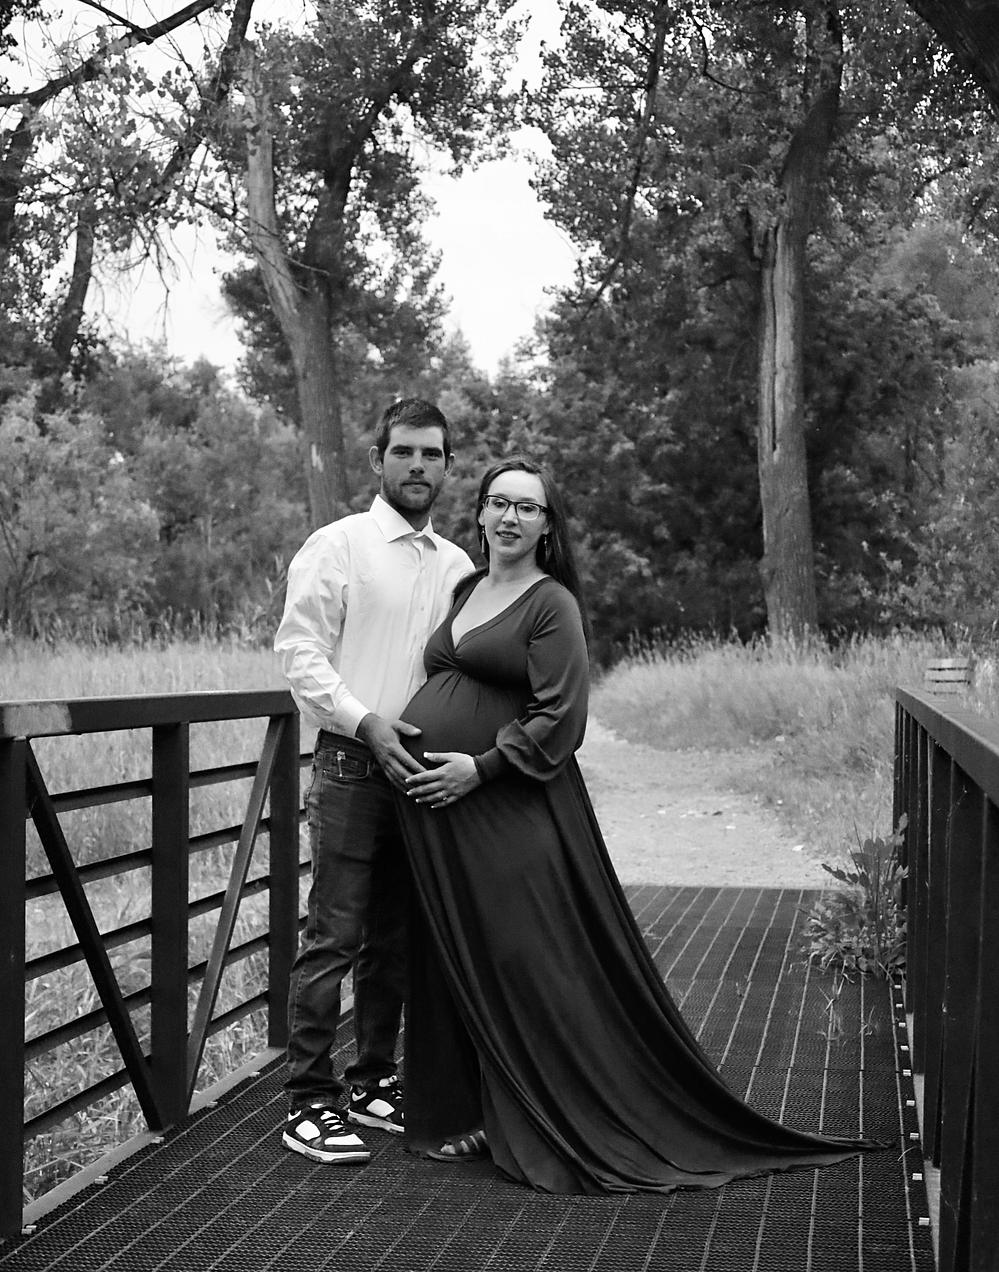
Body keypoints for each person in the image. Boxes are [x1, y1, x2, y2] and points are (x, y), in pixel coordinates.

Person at [393, 456, 880, 1193]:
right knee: (455, 955)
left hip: (505, 806)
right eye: (499, 502)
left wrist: (479, 768)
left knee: (526, 958)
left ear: (548, 527)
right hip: (443, 815)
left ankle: (558, 1112)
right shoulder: (466, 589)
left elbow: (562, 717)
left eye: (527, 507)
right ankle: (467, 1110)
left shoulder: (550, 603)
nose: (510, 517)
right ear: (481, 512)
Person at [273, 398, 473, 1165]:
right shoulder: (340, 545)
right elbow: (299, 653)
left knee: (393, 941)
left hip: (420, 776)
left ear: (446, 465)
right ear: (377, 460)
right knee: (334, 935)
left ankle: (371, 1080)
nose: (417, 466)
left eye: (431, 454)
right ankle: (308, 1102)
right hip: (352, 766)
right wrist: (365, 723)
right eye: (403, 452)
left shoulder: (457, 566)